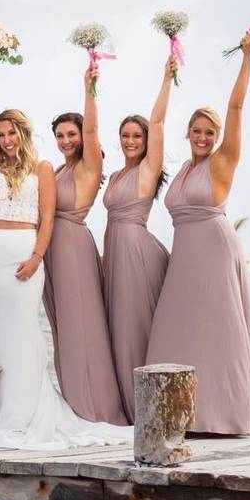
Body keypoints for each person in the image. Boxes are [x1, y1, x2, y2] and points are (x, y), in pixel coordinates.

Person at [0, 60, 131, 450]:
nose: (6, 140)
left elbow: (49, 218)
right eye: (1, 134)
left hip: (26, 254)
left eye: (12, 133)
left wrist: (38, 256)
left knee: (24, 331)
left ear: (24, 134)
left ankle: (25, 411)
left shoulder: (42, 169)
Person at [145, 32, 250, 434]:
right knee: (173, 328)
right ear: (188, 133)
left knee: (219, 331)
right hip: (185, 258)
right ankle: (177, 413)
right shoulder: (182, 170)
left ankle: (223, 417)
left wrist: (247, 56)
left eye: (209, 133)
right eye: (197, 131)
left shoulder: (222, 163)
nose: (203, 137)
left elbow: (236, 106)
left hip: (214, 250)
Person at [42, 62, 126, 425]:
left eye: (70, 134)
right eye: (60, 136)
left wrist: (89, 88)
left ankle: (95, 408)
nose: (66, 141)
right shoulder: (60, 170)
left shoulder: (89, 164)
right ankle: (76, 399)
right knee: (65, 329)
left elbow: (92, 127)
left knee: (82, 328)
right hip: (53, 251)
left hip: (73, 248)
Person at [101, 55, 174, 422]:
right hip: (114, 252)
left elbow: (158, 121)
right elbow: (107, 221)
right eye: (126, 136)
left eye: (137, 136)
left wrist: (167, 77)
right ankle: (128, 405)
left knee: (134, 327)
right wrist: (102, 256)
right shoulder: (114, 175)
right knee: (117, 327)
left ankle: (145, 410)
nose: (131, 141)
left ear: (146, 141)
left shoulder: (148, 170)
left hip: (136, 251)